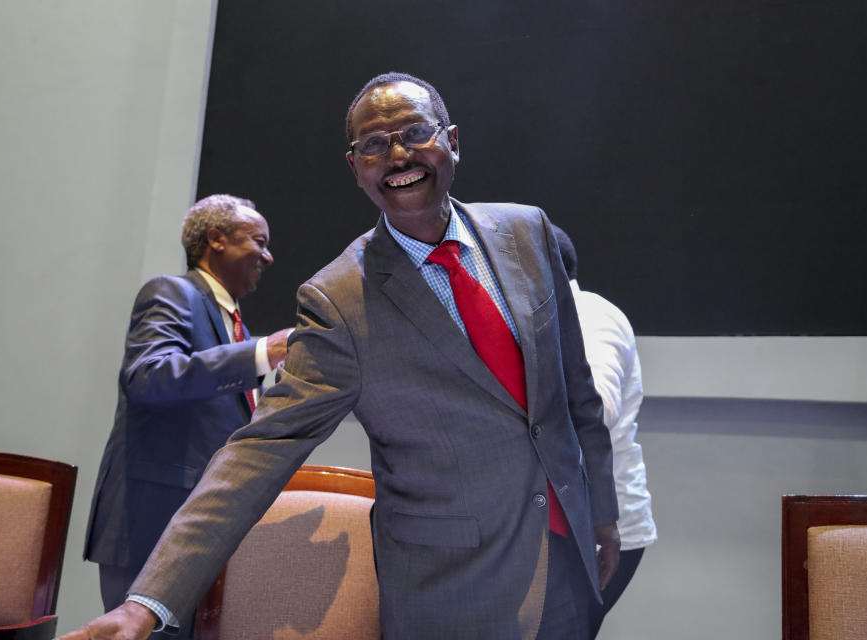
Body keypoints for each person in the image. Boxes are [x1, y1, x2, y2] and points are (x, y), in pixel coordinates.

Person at [63, 72, 620, 640]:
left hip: (569, 560)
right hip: (453, 591)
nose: (398, 155)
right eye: (375, 145)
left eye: (415, 133)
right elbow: (258, 452)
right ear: (356, 167)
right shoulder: (338, 299)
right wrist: (145, 604)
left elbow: (574, 390)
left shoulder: (528, 232)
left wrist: (602, 509)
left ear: (452, 140)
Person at [82, 194, 292, 637]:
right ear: (216, 239)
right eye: (259, 241)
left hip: (196, 531)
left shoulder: (231, 323)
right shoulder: (172, 292)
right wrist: (262, 351)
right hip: (150, 524)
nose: (269, 256)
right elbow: (148, 377)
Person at [552, 225, 657, 636]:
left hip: (599, 528)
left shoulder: (591, 317)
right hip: (562, 523)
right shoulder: (546, 319)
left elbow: (596, 409)